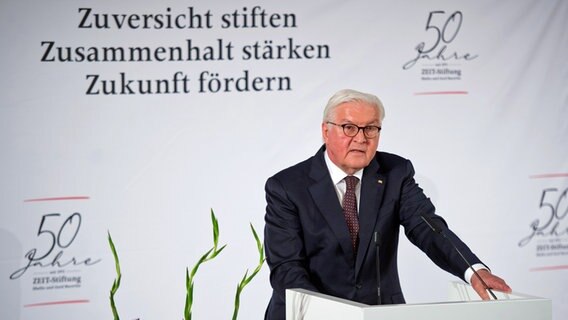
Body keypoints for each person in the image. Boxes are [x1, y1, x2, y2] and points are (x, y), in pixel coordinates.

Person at [263, 89, 511, 319]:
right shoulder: (286, 186)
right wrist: (330, 314)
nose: (361, 138)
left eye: (371, 128)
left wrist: (473, 270)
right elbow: (287, 268)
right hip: (309, 314)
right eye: (349, 127)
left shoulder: (396, 173)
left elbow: (429, 228)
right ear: (326, 131)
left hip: (379, 311)